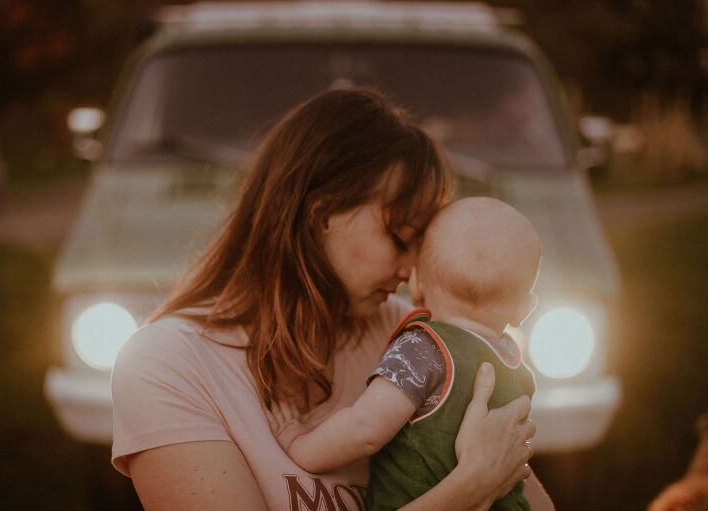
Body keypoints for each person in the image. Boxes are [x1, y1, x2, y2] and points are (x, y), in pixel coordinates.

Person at [111, 87, 538, 510]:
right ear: (319, 211)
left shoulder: (416, 338)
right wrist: (469, 489)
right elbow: (486, 476)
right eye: (398, 238)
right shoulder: (168, 364)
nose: (412, 273)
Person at [280, 197, 553, 510]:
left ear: (418, 284)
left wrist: (300, 447)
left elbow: (365, 428)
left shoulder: (421, 350)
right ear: (524, 310)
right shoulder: (517, 371)